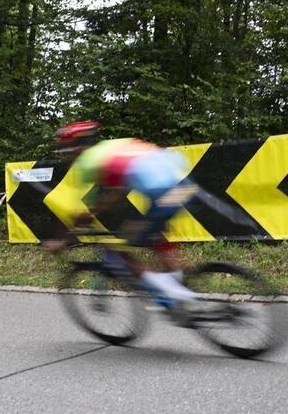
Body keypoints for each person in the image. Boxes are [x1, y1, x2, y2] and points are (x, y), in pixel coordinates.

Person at [43, 120, 200, 309]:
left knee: (119, 252)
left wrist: (63, 239)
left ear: (76, 146)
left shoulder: (87, 163)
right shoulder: (114, 146)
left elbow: (97, 203)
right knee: (155, 235)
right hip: (184, 185)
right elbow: (118, 191)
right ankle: (178, 282)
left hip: (162, 193)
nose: (65, 154)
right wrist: (96, 210)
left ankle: (175, 294)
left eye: (65, 149)